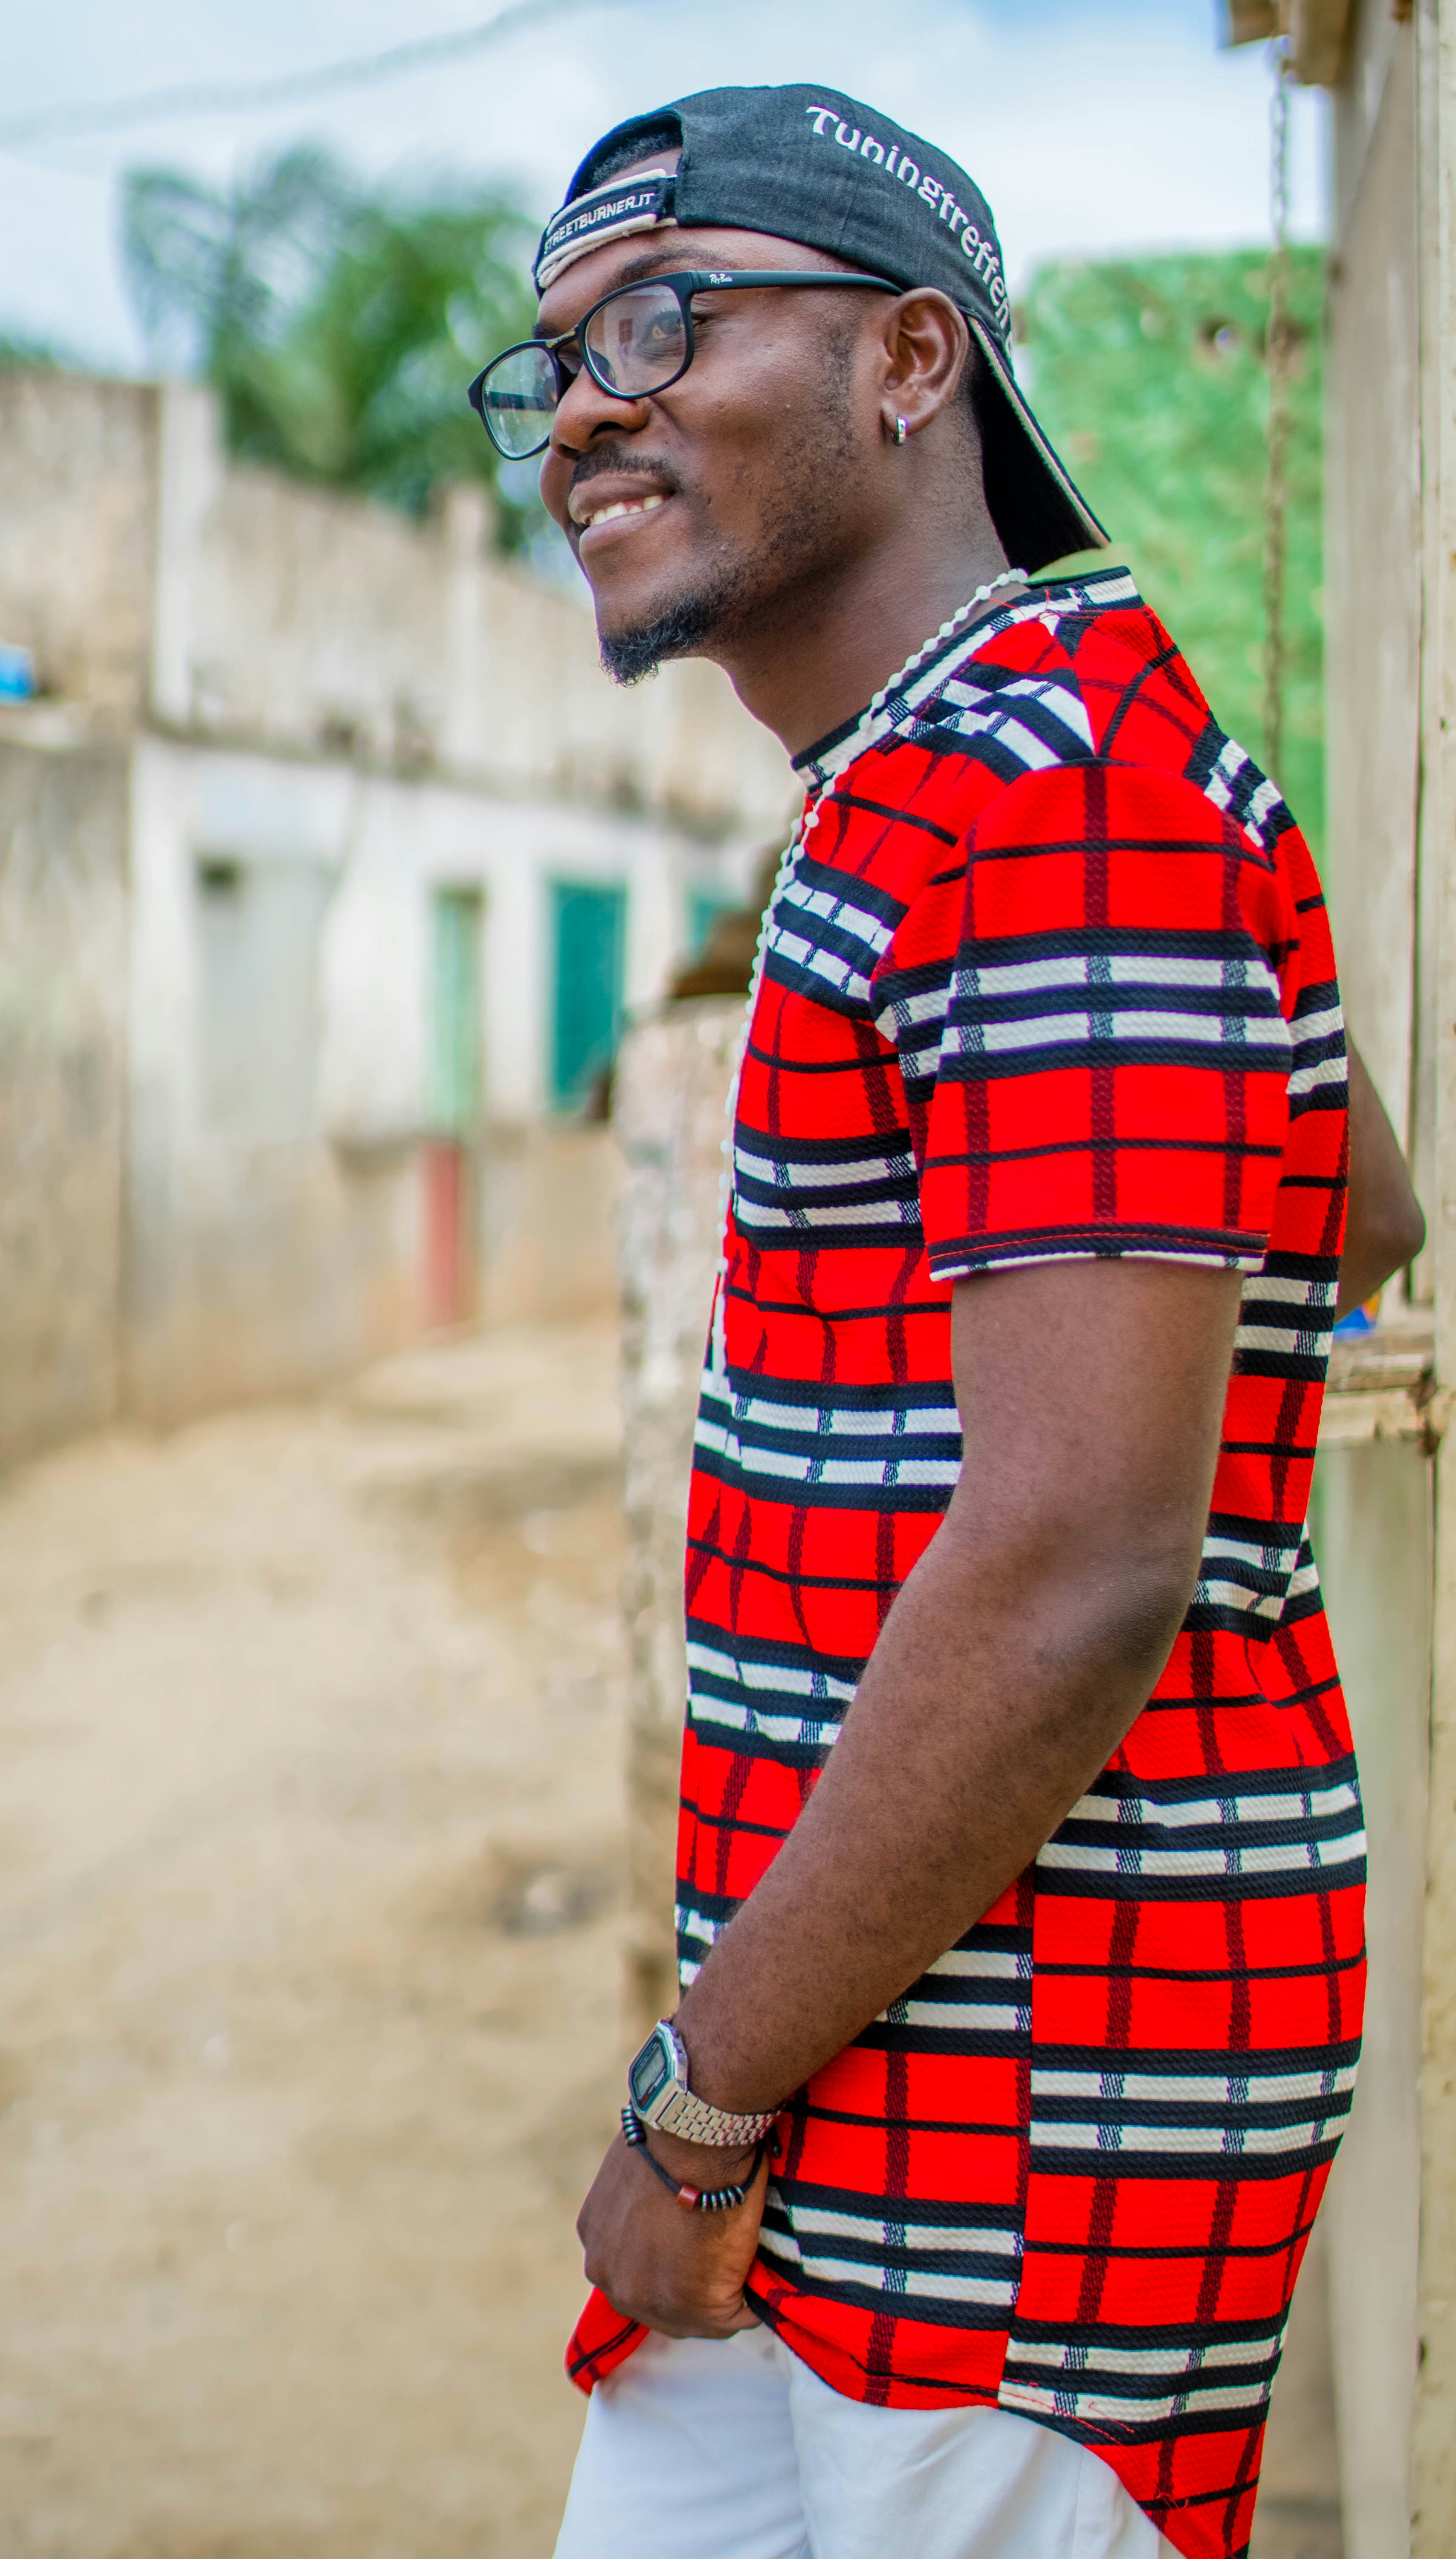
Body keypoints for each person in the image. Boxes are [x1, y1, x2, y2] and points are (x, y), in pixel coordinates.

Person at [468, 83, 1424, 2559]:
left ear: (915, 363)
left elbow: (1087, 1554)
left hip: (1043, 2145)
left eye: (665, 322)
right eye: (553, 362)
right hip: (884, 2075)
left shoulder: (1049, 794)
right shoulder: (999, 771)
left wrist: (698, 2099)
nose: (586, 405)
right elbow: (1364, 1208)